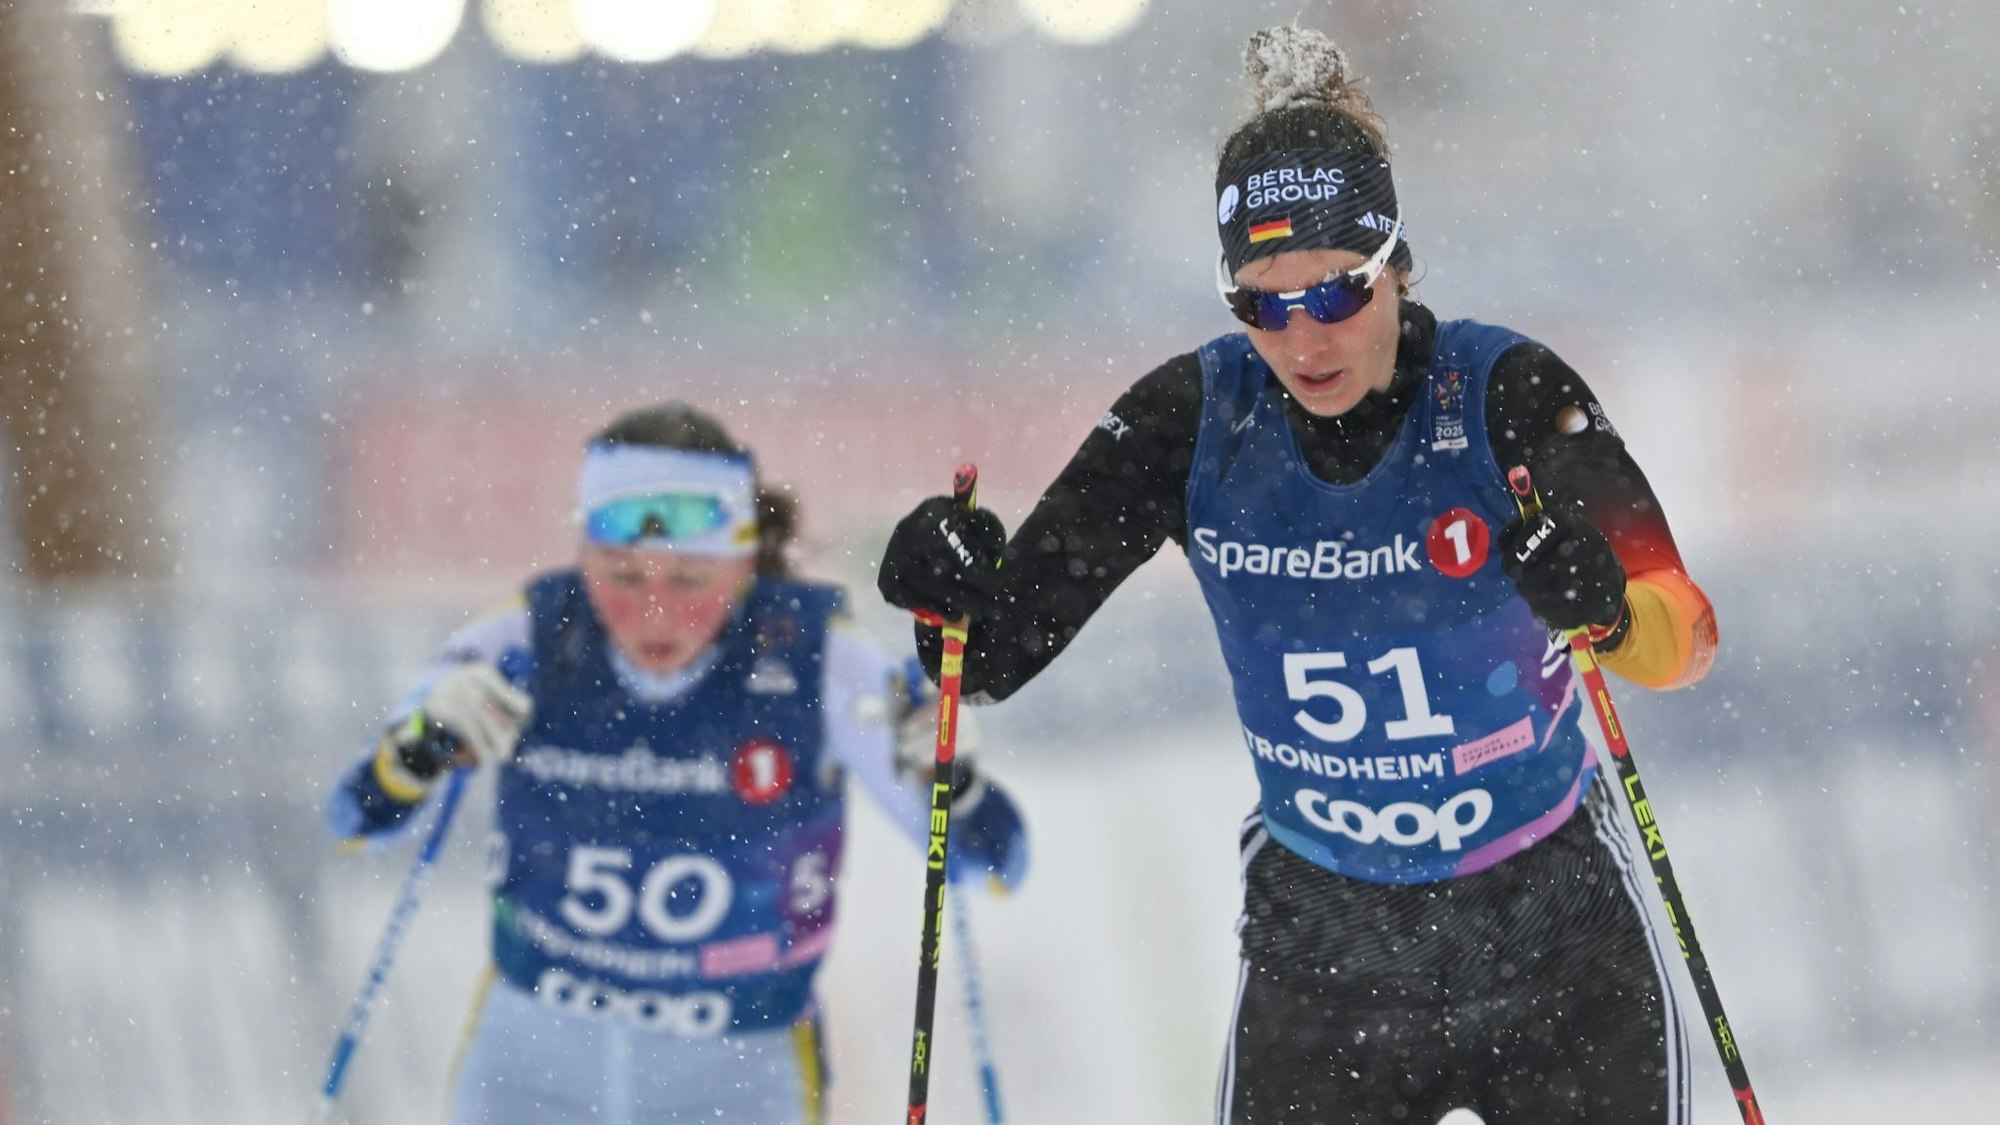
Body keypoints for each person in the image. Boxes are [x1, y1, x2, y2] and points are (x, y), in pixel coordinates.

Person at [876, 24, 1716, 1125]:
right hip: (1327, 954)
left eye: (1333, 294)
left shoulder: (1503, 391)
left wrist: (1603, 612)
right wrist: (939, 586)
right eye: (1259, 304)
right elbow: (984, 659)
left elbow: (1682, 639)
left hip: (1549, 933)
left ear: (1395, 267)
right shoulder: (1187, 422)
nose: (1303, 337)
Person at [327, 403, 1027, 1125]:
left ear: (745, 562)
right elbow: (353, 818)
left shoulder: (819, 658)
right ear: (584, 555)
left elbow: (997, 866)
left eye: (692, 579)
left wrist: (960, 785)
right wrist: (417, 748)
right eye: (623, 576)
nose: (654, 612)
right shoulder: (528, 637)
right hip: (534, 1065)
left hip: (737, 1074)